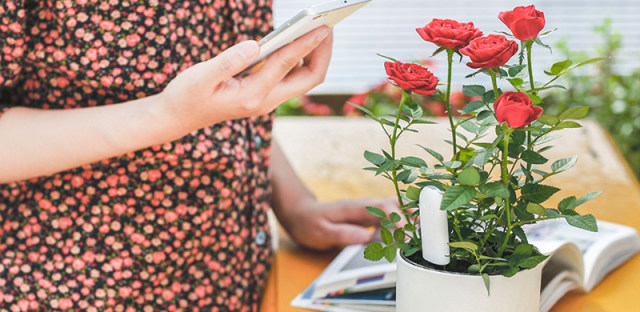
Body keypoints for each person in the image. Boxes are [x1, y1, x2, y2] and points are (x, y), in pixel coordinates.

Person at [0, 1, 396, 311]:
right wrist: (166, 116)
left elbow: (219, 99)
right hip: (78, 289)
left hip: (235, 278)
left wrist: (293, 201)